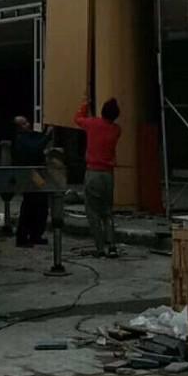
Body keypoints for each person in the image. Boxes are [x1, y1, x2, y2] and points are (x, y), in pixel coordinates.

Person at [74, 97, 121, 258]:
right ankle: (112, 246)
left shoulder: (92, 124)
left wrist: (84, 105)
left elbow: (77, 119)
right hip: (108, 175)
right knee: (107, 212)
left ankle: (100, 248)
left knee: (93, 212)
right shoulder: (116, 130)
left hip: (93, 172)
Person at [12, 116, 51, 247]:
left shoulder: (28, 136)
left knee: (41, 206)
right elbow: (35, 148)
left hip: (36, 174)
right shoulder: (21, 140)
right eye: (24, 124)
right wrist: (47, 136)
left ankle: (36, 234)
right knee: (30, 206)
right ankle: (23, 237)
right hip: (29, 175)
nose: (27, 125)